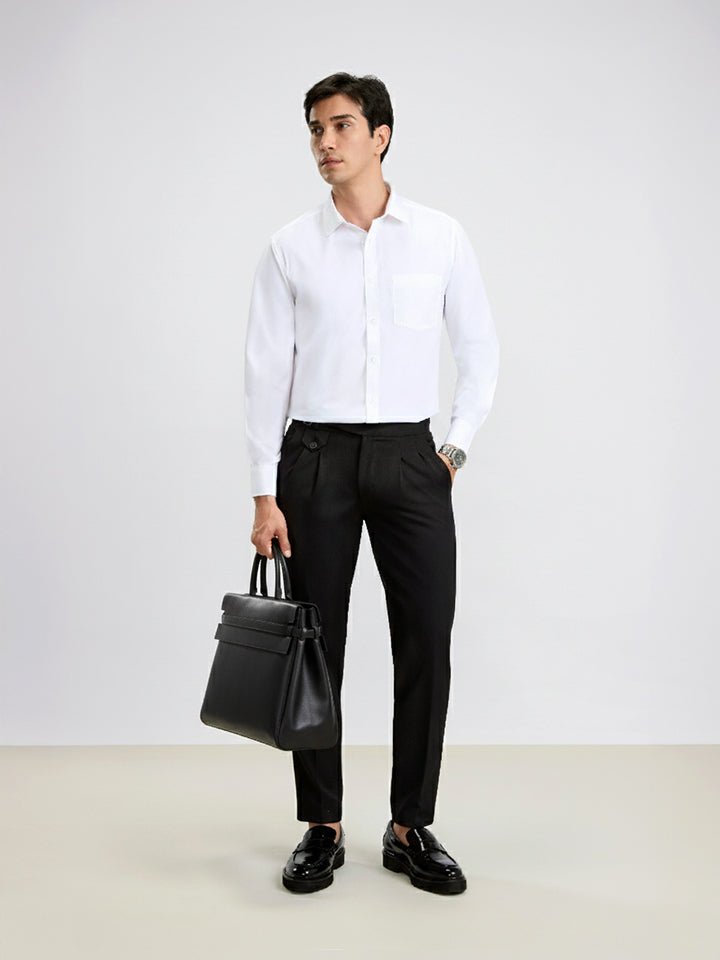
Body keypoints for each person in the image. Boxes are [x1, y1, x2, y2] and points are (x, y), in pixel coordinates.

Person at [244, 72, 499, 895]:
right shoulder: (290, 247)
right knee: (316, 648)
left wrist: (452, 451)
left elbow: (480, 351)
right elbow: (264, 373)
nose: (325, 142)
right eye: (316, 129)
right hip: (313, 459)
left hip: (410, 458)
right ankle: (321, 825)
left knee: (426, 640)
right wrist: (264, 492)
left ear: (380, 135)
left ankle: (409, 825)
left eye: (342, 125)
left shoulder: (440, 237)